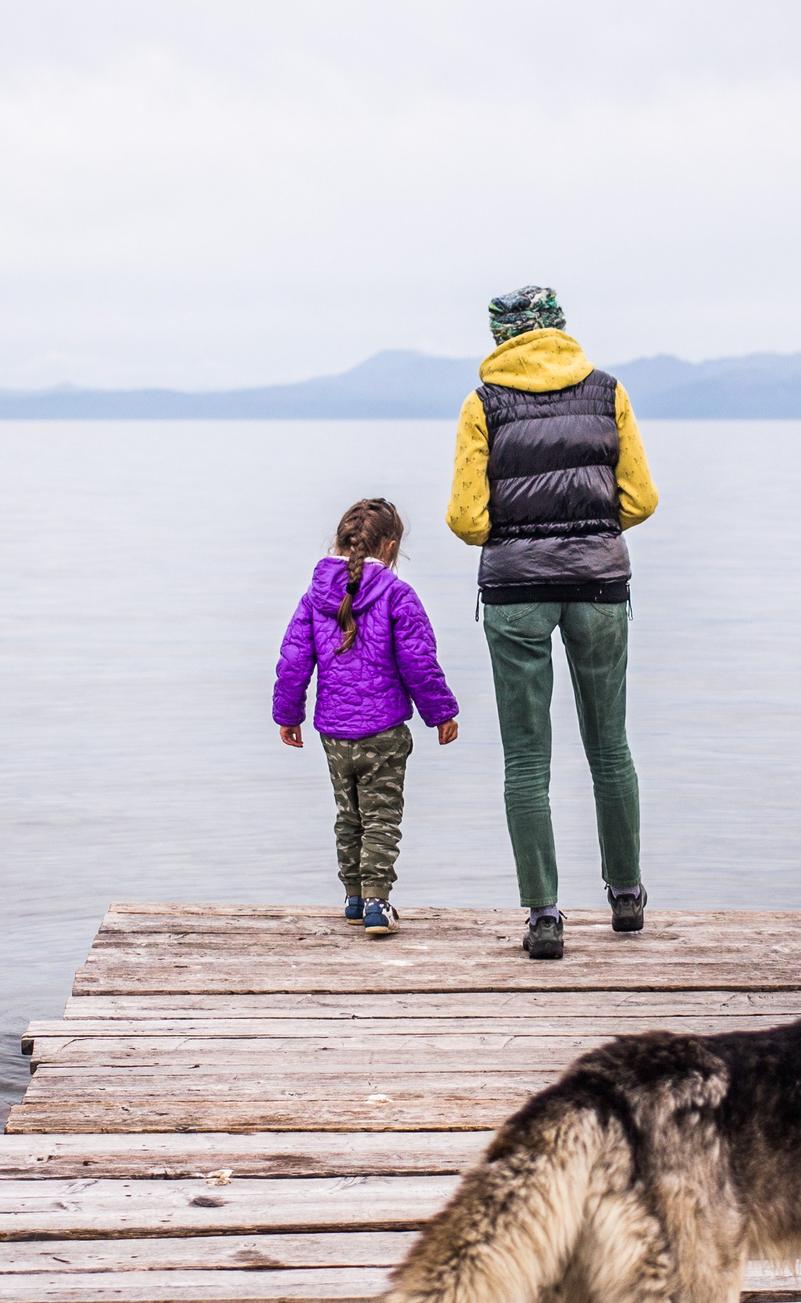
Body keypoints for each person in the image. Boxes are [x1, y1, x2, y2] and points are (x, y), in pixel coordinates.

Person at [447, 287, 658, 960]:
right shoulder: (608, 393)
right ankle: (625, 897)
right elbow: (642, 499)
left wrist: (520, 535)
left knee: (527, 757)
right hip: (599, 585)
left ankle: (544, 914)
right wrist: (591, 532)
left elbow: (467, 518)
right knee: (610, 746)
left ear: (502, 337)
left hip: (515, 593)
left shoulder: (483, 404)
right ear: (560, 329)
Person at [274, 498, 460, 935]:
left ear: (339, 542)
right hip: (384, 730)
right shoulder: (398, 595)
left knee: (349, 815)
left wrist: (288, 714)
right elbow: (419, 662)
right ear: (391, 546)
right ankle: (378, 904)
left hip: (333, 732)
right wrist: (441, 713)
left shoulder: (313, 596)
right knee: (381, 816)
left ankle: (354, 899)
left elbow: (293, 659)